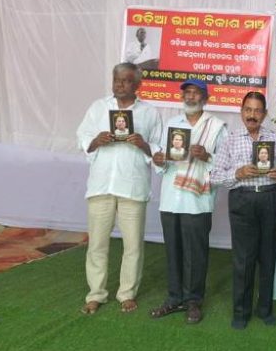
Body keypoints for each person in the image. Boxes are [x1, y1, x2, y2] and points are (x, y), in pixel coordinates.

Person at [76, 62, 162, 315]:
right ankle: (96, 294)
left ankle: (127, 293)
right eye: (116, 80)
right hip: (101, 186)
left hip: (132, 187)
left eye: (126, 80)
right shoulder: (98, 107)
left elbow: (159, 150)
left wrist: (143, 144)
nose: (120, 85)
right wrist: (95, 141)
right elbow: (82, 137)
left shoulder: (149, 113)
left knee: (133, 246)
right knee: (97, 244)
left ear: (138, 84)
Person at [149, 78, 227, 324]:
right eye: (187, 92)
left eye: (196, 92)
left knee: (196, 253)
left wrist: (207, 156)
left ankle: (193, 301)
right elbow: (162, 160)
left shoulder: (216, 126)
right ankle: (174, 298)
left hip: (197, 200)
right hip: (171, 198)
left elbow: (226, 164)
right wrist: (159, 160)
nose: (191, 96)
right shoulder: (172, 124)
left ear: (206, 98)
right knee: (173, 251)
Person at [211, 91, 276, 330]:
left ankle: (265, 310)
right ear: (241, 112)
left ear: (264, 114)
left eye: (257, 111)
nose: (252, 115)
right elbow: (214, 176)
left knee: (268, 256)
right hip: (242, 199)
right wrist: (238, 173)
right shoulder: (230, 140)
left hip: (269, 198)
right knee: (243, 259)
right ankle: (241, 313)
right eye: (248, 110)